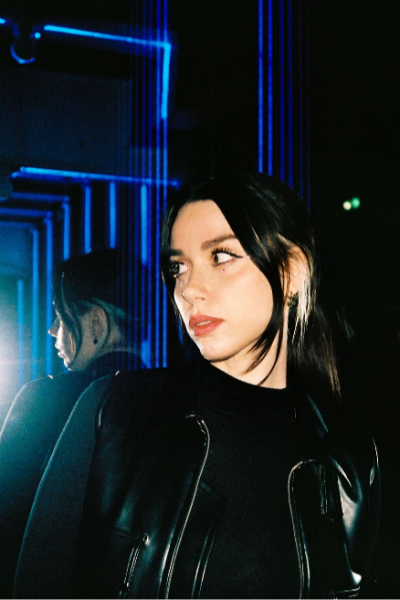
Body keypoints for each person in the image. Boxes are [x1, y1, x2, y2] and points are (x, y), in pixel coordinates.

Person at [16, 174, 380, 599]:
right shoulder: (111, 412)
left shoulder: (350, 463)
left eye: (221, 256)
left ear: (290, 271)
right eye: (178, 267)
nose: (188, 289)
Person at [0, 248, 144, 600]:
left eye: (60, 317)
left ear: (95, 323)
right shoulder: (173, 399)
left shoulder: (44, 400)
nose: (52, 331)